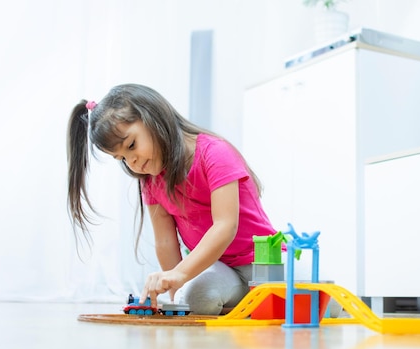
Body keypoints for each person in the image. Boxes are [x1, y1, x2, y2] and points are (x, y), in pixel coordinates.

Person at [66, 83, 276, 315]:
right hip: (220, 268)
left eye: (132, 145)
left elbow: (225, 226)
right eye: (122, 158)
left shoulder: (215, 152)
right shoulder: (150, 179)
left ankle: (252, 305)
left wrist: (180, 274)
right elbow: (165, 242)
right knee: (196, 298)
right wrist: (177, 290)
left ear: (153, 118)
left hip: (264, 263)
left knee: (318, 303)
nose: (132, 162)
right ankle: (249, 305)